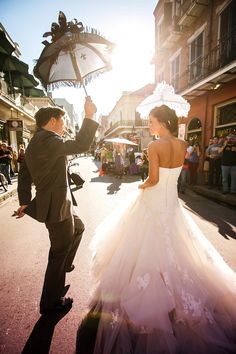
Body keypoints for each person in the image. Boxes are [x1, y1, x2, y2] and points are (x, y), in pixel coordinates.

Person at [76, 105, 236, 354]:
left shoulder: (153, 146)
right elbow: (171, 176)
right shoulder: (183, 144)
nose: (149, 125)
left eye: (151, 121)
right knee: (179, 249)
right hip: (172, 206)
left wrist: (139, 187)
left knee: (143, 251)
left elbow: (153, 180)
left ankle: (160, 300)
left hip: (153, 205)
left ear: (162, 122)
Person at [16, 96, 98, 315]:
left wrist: (24, 201)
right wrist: (89, 116)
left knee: (79, 228)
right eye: (62, 122)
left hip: (61, 204)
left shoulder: (36, 140)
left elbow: (24, 174)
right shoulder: (49, 139)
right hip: (56, 208)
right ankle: (50, 303)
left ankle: (64, 266)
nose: (64, 127)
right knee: (57, 255)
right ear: (53, 121)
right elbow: (82, 144)